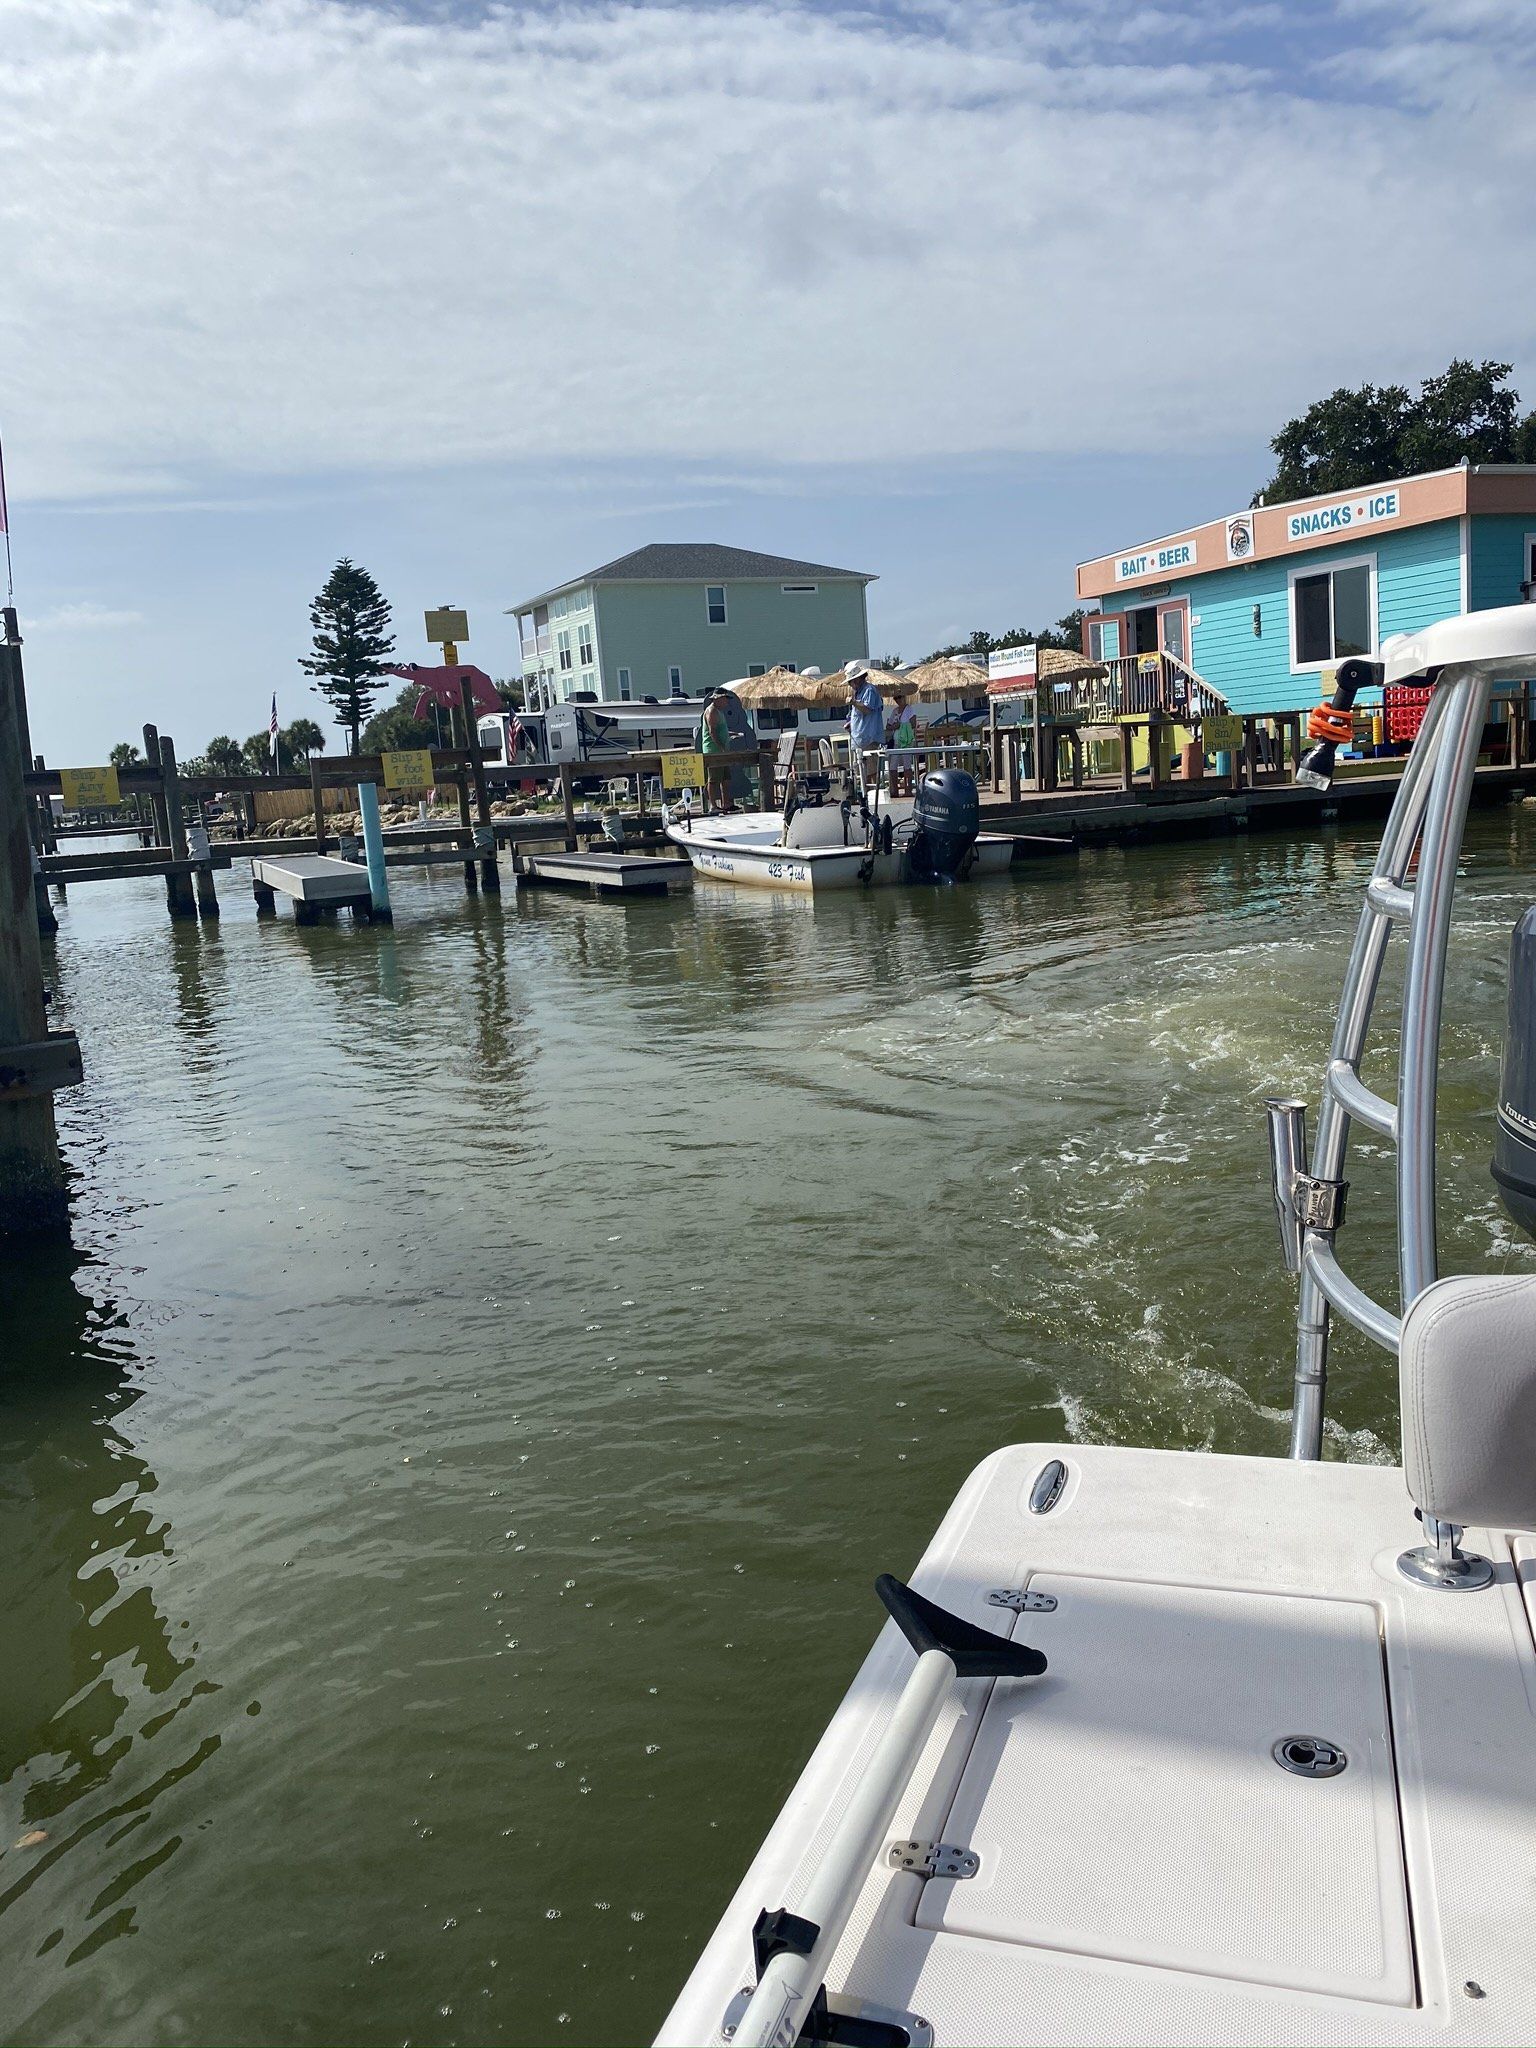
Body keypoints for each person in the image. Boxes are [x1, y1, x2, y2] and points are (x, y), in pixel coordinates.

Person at [845, 660, 886, 795]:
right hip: (859, 739)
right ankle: (865, 796)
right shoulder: (857, 693)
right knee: (862, 771)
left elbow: (868, 709)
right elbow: (857, 714)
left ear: (857, 679)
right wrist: (850, 723)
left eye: (851, 681)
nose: (850, 684)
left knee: (872, 770)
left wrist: (854, 702)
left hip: (869, 738)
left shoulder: (869, 690)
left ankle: (875, 796)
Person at [700, 687, 735, 813]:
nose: (727, 702)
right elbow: (712, 731)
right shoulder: (712, 711)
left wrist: (730, 734)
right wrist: (720, 747)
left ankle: (727, 804)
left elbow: (720, 730)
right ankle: (713, 806)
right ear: (718, 699)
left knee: (726, 778)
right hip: (713, 751)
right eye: (725, 698)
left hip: (722, 751)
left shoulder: (719, 711)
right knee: (713, 779)